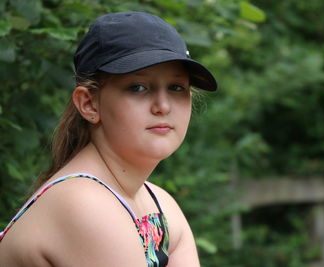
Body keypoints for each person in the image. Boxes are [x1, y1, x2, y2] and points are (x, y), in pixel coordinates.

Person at [0, 11, 217, 267]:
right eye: (138, 87)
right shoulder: (84, 203)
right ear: (89, 104)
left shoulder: (159, 206)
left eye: (176, 87)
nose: (163, 106)